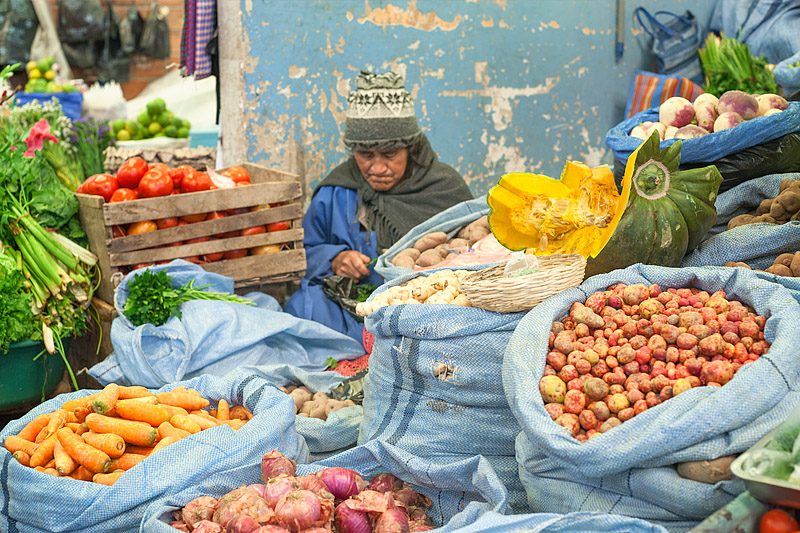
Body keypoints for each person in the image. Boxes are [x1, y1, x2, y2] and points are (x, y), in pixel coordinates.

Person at [283, 70, 474, 343]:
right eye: (365, 155)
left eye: (390, 154)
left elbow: (476, 253)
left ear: (412, 147)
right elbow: (301, 254)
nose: (377, 168)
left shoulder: (444, 189)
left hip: (421, 313)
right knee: (303, 306)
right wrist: (334, 258)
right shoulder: (335, 192)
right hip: (346, 313)